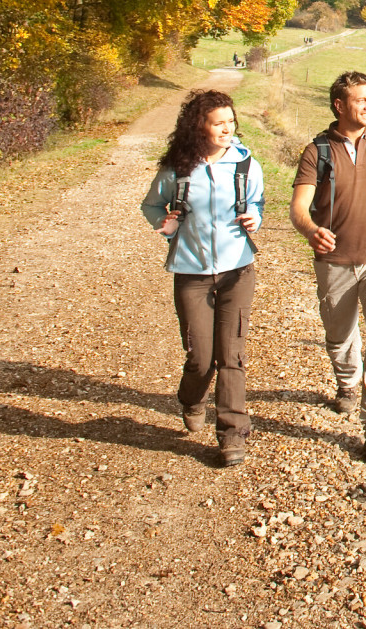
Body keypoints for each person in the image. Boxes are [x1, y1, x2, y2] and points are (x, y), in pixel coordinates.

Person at [140, 88, 263, 468]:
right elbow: (151, 205)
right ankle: (191, 399)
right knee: (200, 357)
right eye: (218, 123)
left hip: (237, 270)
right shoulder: (178, 169)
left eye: (231, 121)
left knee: (232, 355)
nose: (228, 129)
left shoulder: (247, 166)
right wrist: (163, 223)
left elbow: (257, 204)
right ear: (199, 128)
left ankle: (231, 435)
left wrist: (254, 218)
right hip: (191, 272)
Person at [290, 70, 366, 463]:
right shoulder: (317, 151)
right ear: (340, 106)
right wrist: (311, 231)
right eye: (361, 99)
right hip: (335, 262)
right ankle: (347, 382)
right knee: (340, 336)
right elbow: (298, 209)